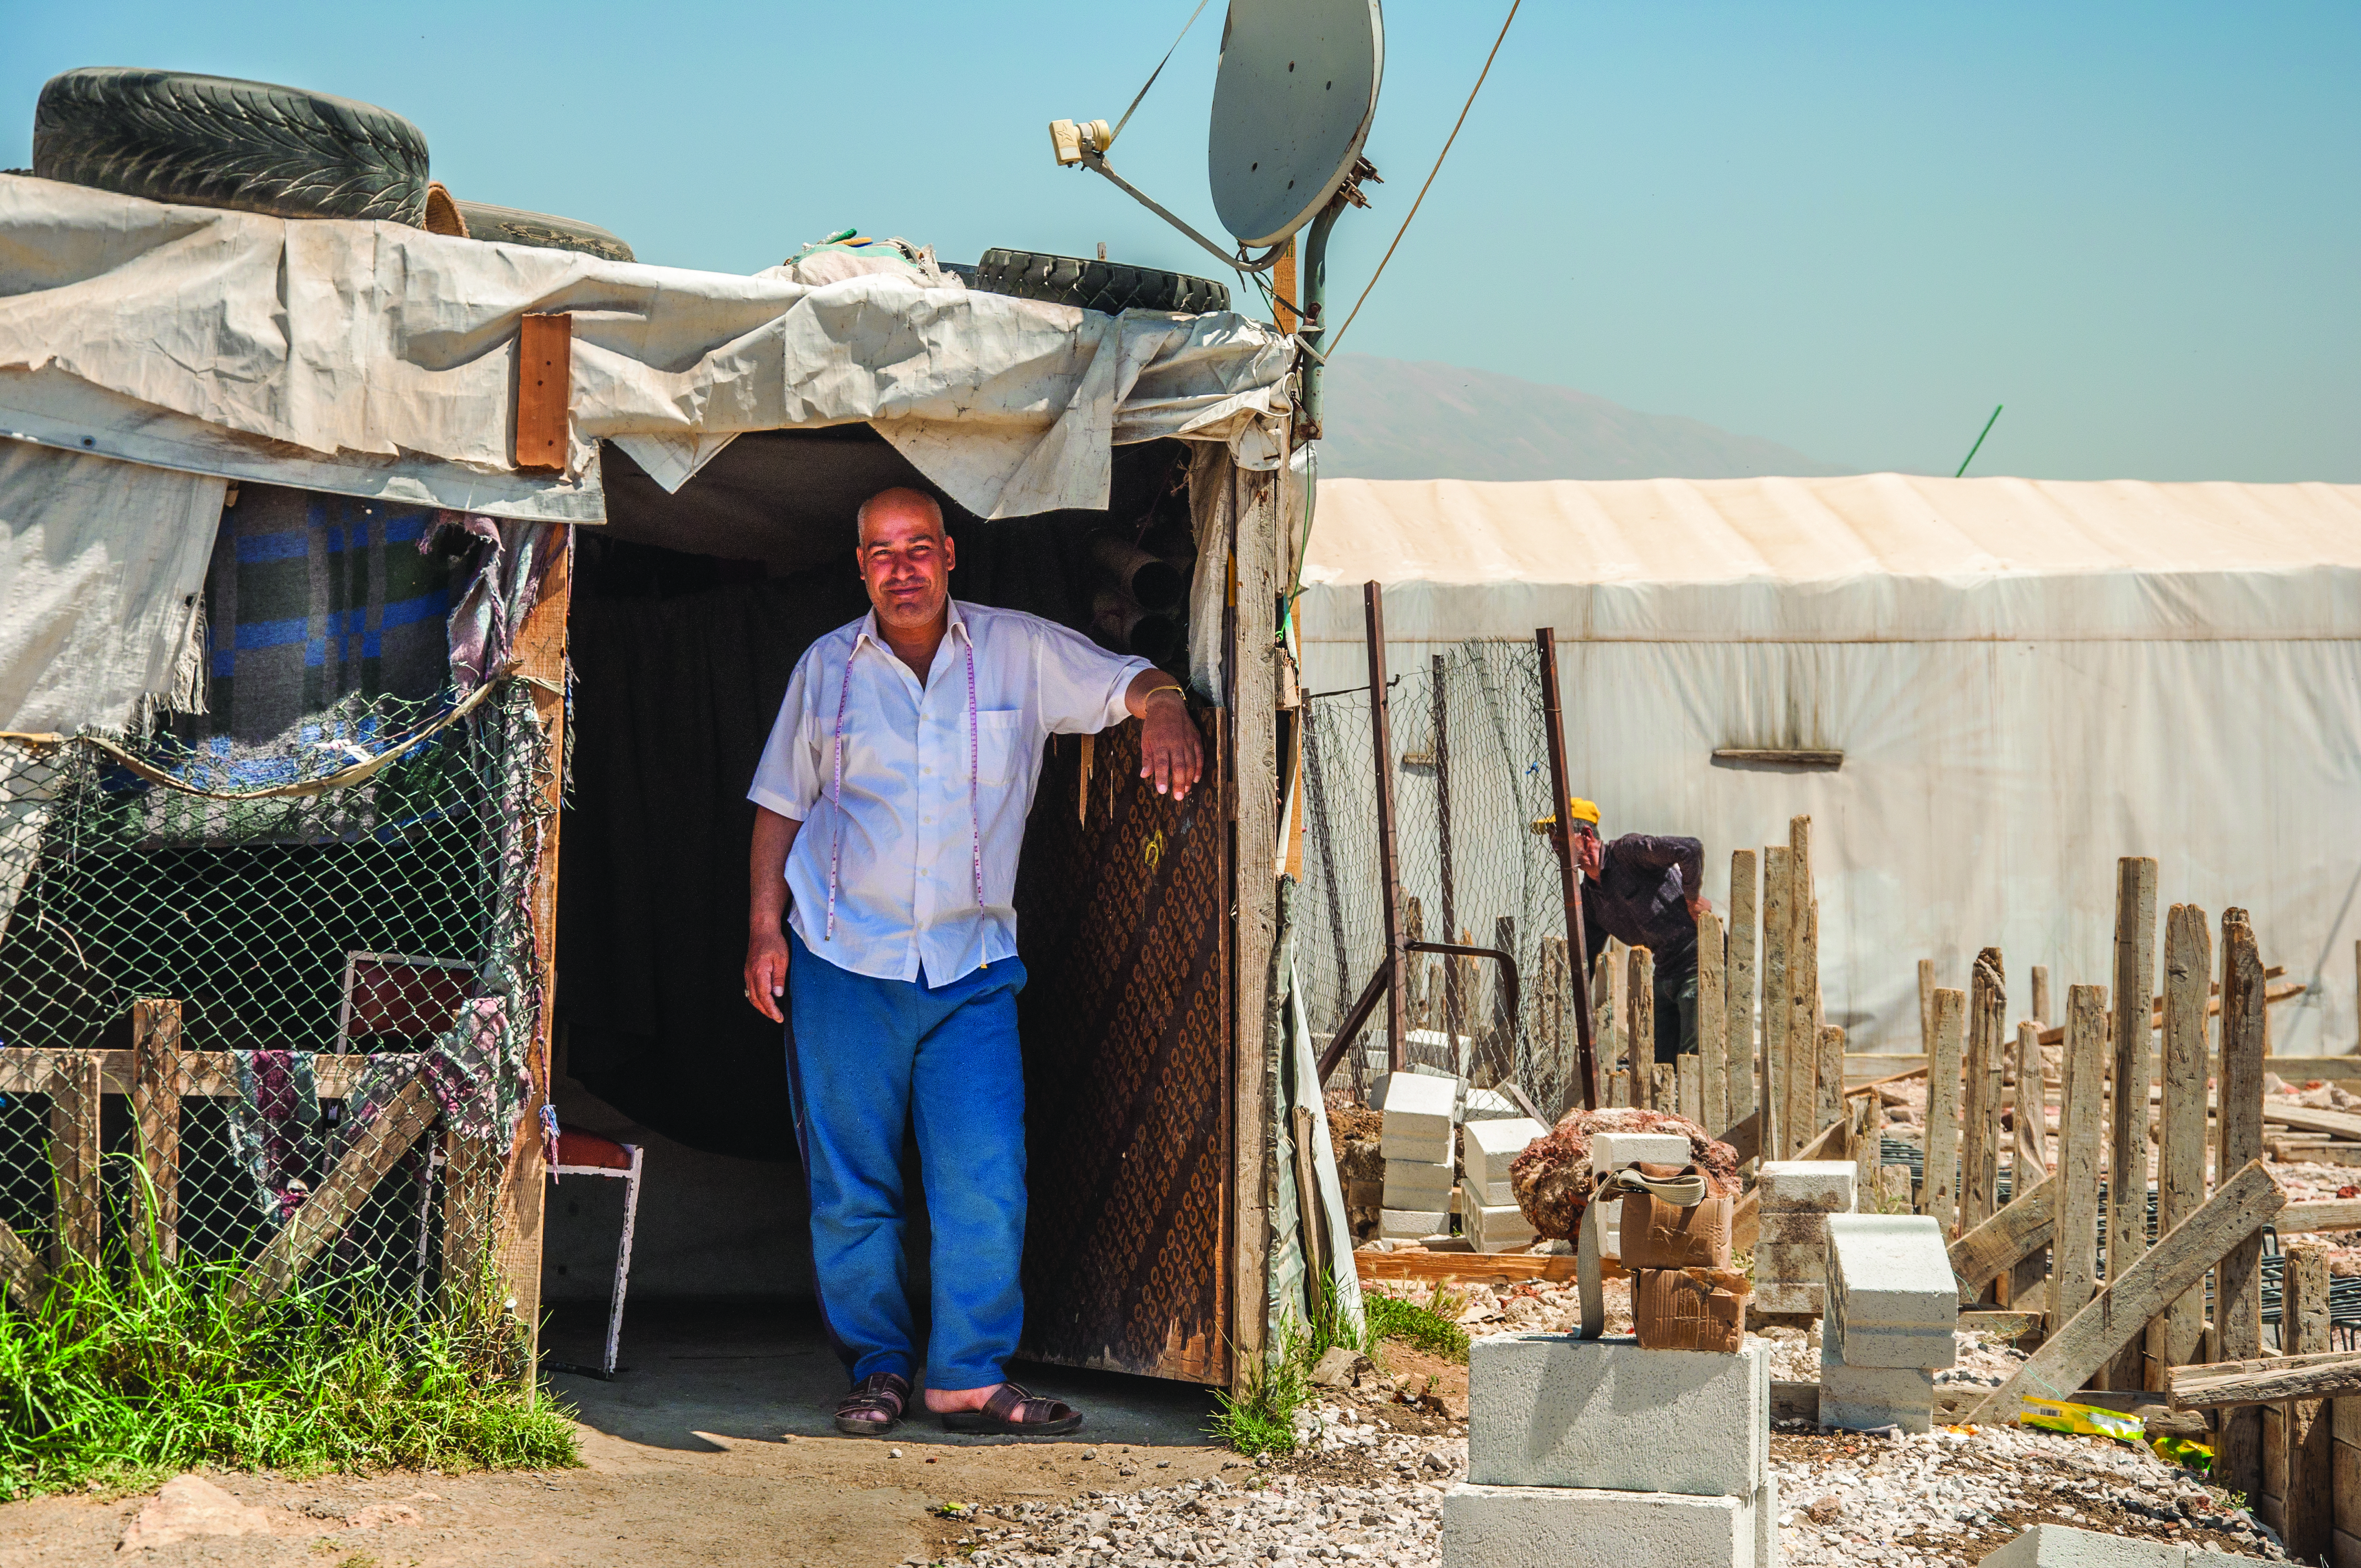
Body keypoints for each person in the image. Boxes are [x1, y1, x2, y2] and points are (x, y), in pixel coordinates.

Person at [741, 487, 1202, 1439]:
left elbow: (1130, 680)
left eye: (918, 548)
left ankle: (963, 1374)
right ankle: (877, 1365)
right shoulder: (825, 669)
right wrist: (764, 929)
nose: (900, 567)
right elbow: (780, 804)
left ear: (951, 555)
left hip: (972, 965)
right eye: (880, 551)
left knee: (985, 1176)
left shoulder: (1017, 651)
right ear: (859, 564)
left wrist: (1166, 706)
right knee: (852, 1187)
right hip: (842, 957)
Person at [1567, 797, 1709, 1064]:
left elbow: (1690, 849)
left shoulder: (1628, 853)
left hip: (1699, 959)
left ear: (1586, 836)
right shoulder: (1590, 897)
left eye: (1560, 840)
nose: (1554, 848)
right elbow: (1588, 958)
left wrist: (1691, 898)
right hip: (1665, 970)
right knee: (1660, 1065)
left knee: (1693, 1062)